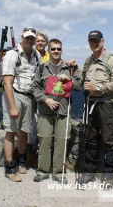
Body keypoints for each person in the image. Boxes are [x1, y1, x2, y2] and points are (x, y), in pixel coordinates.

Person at [32, 39, 81, 182]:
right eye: (53, 49)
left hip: (63, 111)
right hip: (45, 110)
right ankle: (42, 171)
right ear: (48, 50)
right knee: (45, 140)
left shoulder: (69, 68)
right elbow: (35, 87)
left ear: (62, 50)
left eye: (58, 49)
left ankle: (59, 173)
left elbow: (78, 86)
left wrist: (69, 79)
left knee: (61, 141)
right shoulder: (41, 68)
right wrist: (46, 99)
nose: (56, 51)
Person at [80, 30, 113, 188]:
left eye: (97, 40)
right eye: (91, 41)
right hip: (90, 103)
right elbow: (82, 79)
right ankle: (89, 174)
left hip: (105, 104)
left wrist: (97, 87)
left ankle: (109, 177)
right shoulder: (88, 60)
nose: (94, 43)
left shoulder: (111, 60)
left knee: (107, 140)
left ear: (103, 41)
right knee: (90, 138)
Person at [2, 27, 42, 182]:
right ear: (21, 38)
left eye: (32, 38)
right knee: (11, 131)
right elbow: (7, 82)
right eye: (27, 37)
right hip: (15, 95)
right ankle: (9, 168)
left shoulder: (36, 55)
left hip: (29, 97)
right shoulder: (12, 55)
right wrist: (12, 106)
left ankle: (21, 161)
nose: (30, 40)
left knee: (24, 131)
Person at [25, 31, 50, 168]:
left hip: (46, 96)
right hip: (30, 94)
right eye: (38, 40)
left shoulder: (50, 56)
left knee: (43, 123)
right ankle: (30, 155)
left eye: (43, 40)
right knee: (31, 124)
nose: (40, 43)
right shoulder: (31, 55)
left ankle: (42, 154)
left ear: (46, 43)